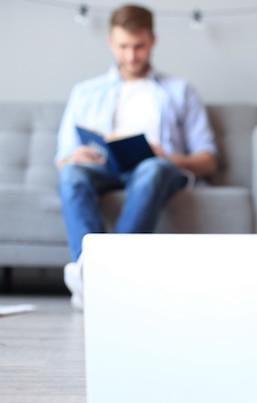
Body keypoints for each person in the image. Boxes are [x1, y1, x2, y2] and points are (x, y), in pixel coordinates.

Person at [55, 4, 218, 310]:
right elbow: (62, 159)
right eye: (123, 47)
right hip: (103, 169)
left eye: (139, 46)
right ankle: (92, 272)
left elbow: (208, 159)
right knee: (71, 175)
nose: (131, 56)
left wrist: (168, 156)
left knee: (153, 168)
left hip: (156, 170)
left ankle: (106, 272)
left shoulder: (180, 91)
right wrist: (74, 156)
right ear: (110, 43)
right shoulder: (85, 92)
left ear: (152, 41)